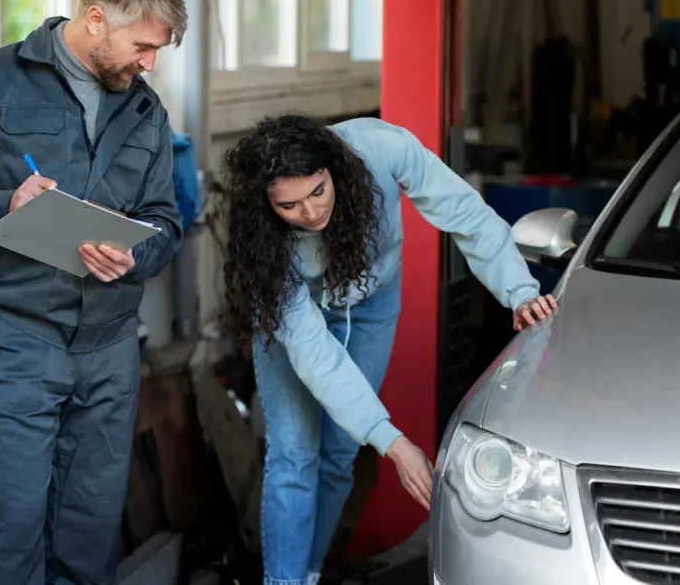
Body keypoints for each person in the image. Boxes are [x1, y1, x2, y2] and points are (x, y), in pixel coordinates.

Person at [0, 0, 187, 585]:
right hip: (17, 341)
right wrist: (4, 202)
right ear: (96, 19)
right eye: (142, 46)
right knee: (10, 540)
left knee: (90, 540)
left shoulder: (145, 113)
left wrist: (134, 252)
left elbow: (166, 222)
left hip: (111, 349)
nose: (150, 64)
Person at [221, 113, 557, 585]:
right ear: (266, 206)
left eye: (318, 191)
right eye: (290, 206)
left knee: (340, 454)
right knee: (295, 453)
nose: (312, 212)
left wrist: (519, 291)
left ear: (333, 168)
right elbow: (316, 357)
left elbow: (464, 212)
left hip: (371, 299)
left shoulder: (381, 148)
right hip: (295, 318)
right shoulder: (268, 260)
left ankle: (309, 573)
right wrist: (393, 443)